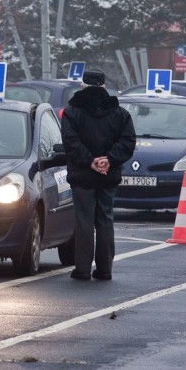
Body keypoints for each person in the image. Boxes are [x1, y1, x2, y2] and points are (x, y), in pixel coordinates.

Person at [61, 69, 136, 281]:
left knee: (84, 221)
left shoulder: (72, 111)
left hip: (82, 175)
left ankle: (82, 269)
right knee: (105, 220)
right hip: (108, 174)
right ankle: (105, 270)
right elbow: (128, 141)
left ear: (82, 85)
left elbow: (70, 143)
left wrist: (90, 161)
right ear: (104, 85)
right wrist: (108, 159)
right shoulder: (120, 113)